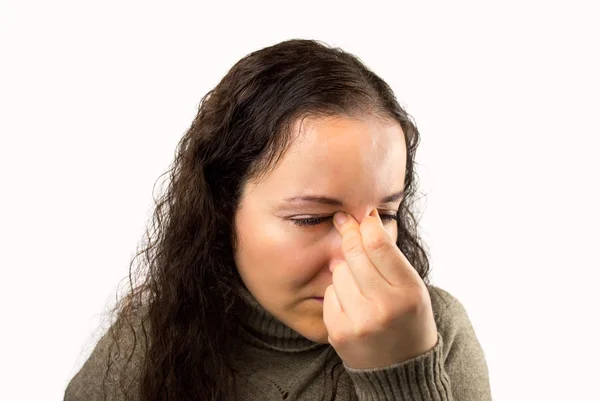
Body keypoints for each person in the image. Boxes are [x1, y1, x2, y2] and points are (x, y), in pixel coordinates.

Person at [64, 38, 491, 401]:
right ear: (222, 208)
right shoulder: (146, 344)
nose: (354, 258)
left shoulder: (436, 332)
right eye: (312, 218)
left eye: (384, 215)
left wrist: (402, 372)